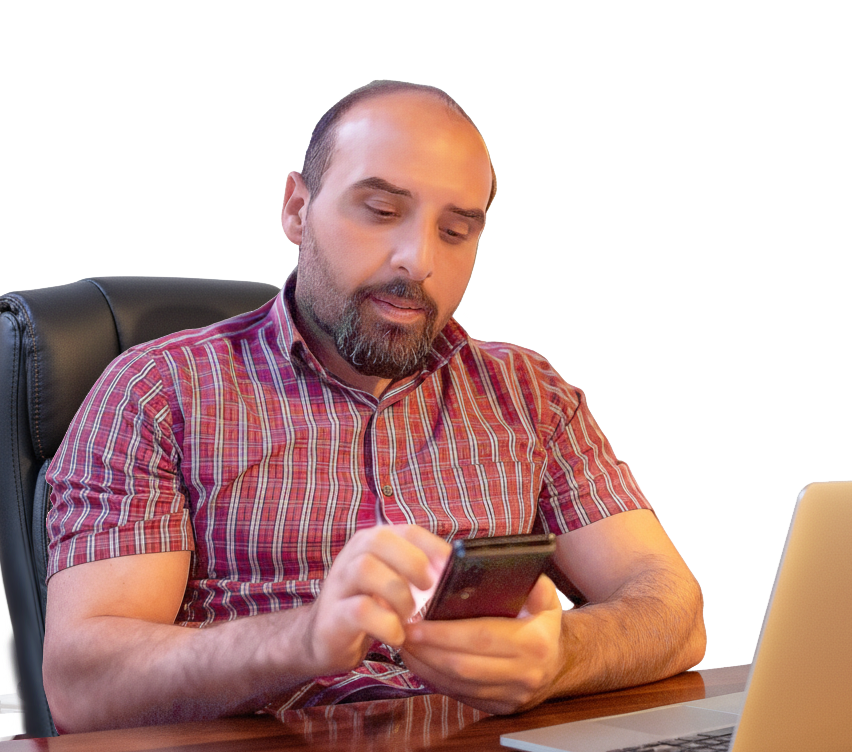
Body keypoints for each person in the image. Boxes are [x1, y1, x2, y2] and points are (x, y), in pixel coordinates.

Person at [42, 80, 706, 733]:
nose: (418, 260)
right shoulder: (159, 392)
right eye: (382, 211)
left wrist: (561, 655)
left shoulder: (529, 395)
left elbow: (673, 608)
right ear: (297, 209)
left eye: (456, 230)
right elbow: (80, 685)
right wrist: (301, 641)